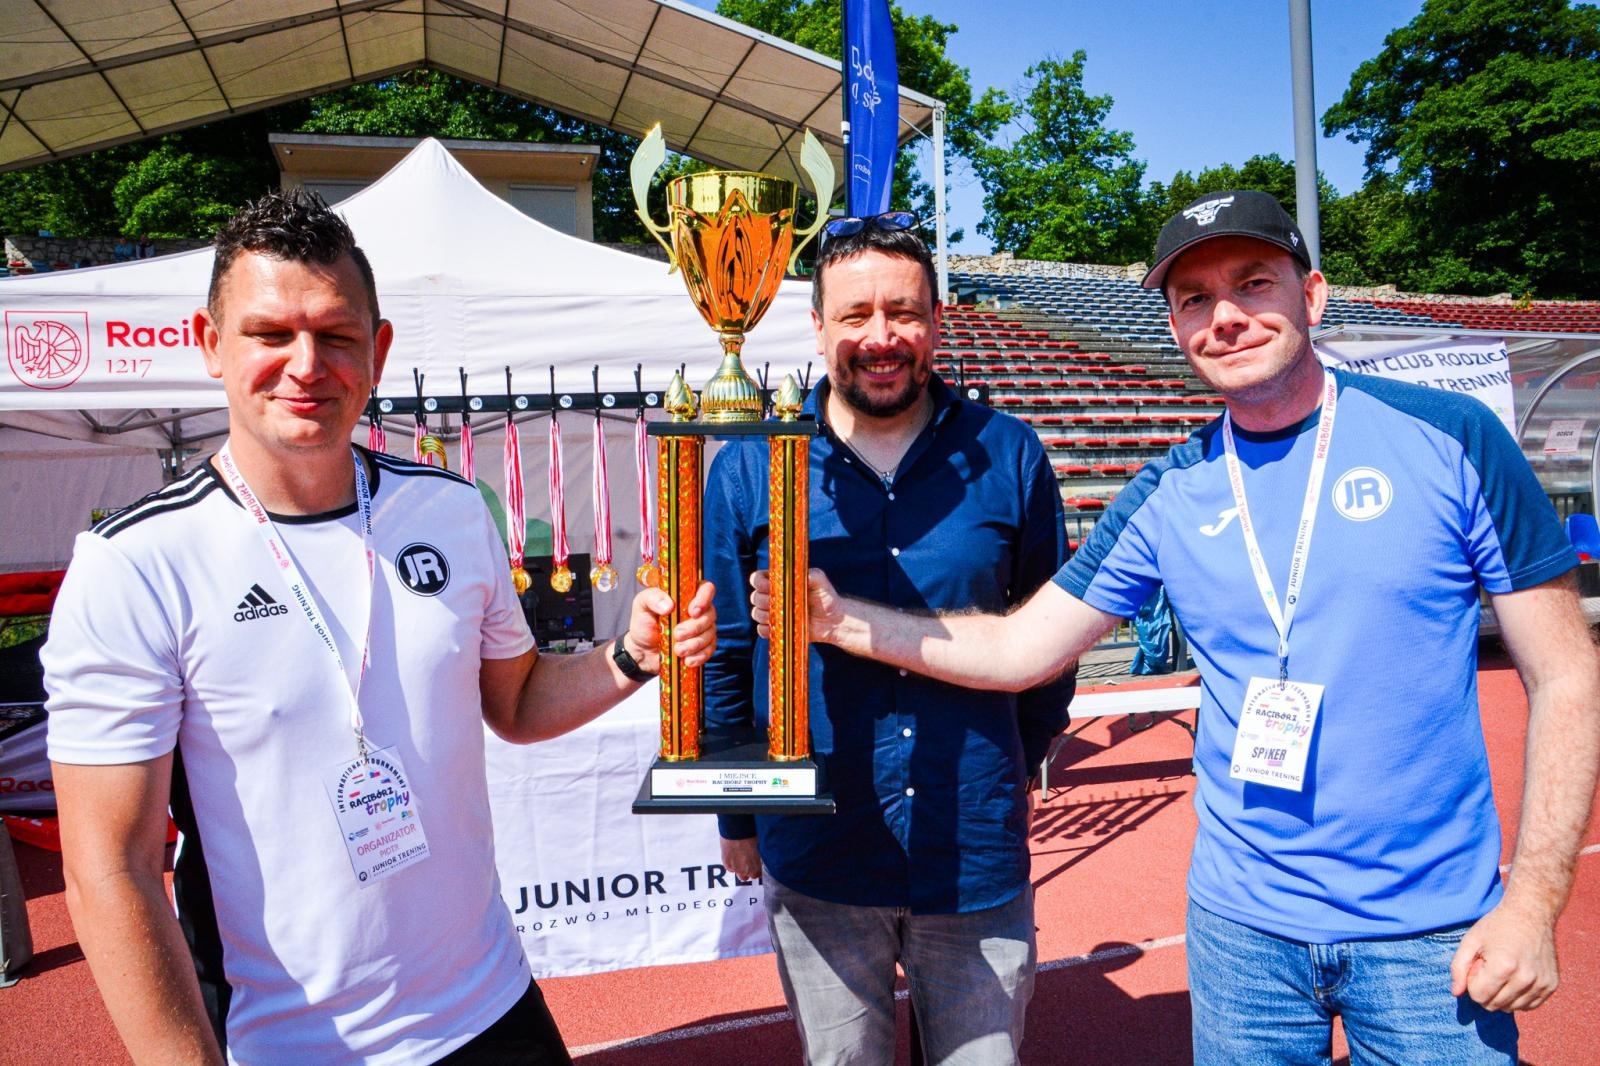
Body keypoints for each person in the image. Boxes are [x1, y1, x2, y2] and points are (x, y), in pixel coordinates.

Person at [755, 191, 1600, 1064]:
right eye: (1195, 298)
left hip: (1430, 934)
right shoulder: (1169, 489)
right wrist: (838, 620)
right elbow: (1019, 648)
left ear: (1312, 296)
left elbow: (1567, 674)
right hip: (1242, 939)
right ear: (1174, 325)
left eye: (1253, 283)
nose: (1225, 316)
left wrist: (1535, 902)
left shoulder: (1452, 437)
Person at [42, 188, 715, 1065]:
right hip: (289, 1045)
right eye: (269, 333)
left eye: (336, 335)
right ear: (210, 344)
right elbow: (109, 870)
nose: (306, 364)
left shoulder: (449, 510)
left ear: (378, 350)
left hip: (494, 1008)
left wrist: (629, 655)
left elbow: (515, 704)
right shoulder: (136, 562)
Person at [703, 213, 1075, 1064]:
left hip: (971, 852)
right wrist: (737, 814)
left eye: (903, 312)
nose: (881, 337)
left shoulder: (1009, 453)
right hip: (819, 855)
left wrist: (1011, 763)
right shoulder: (752, 465)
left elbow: (1051, 638)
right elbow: (725, 651)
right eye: (856, 314)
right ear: (818, 327)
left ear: (936, 321)